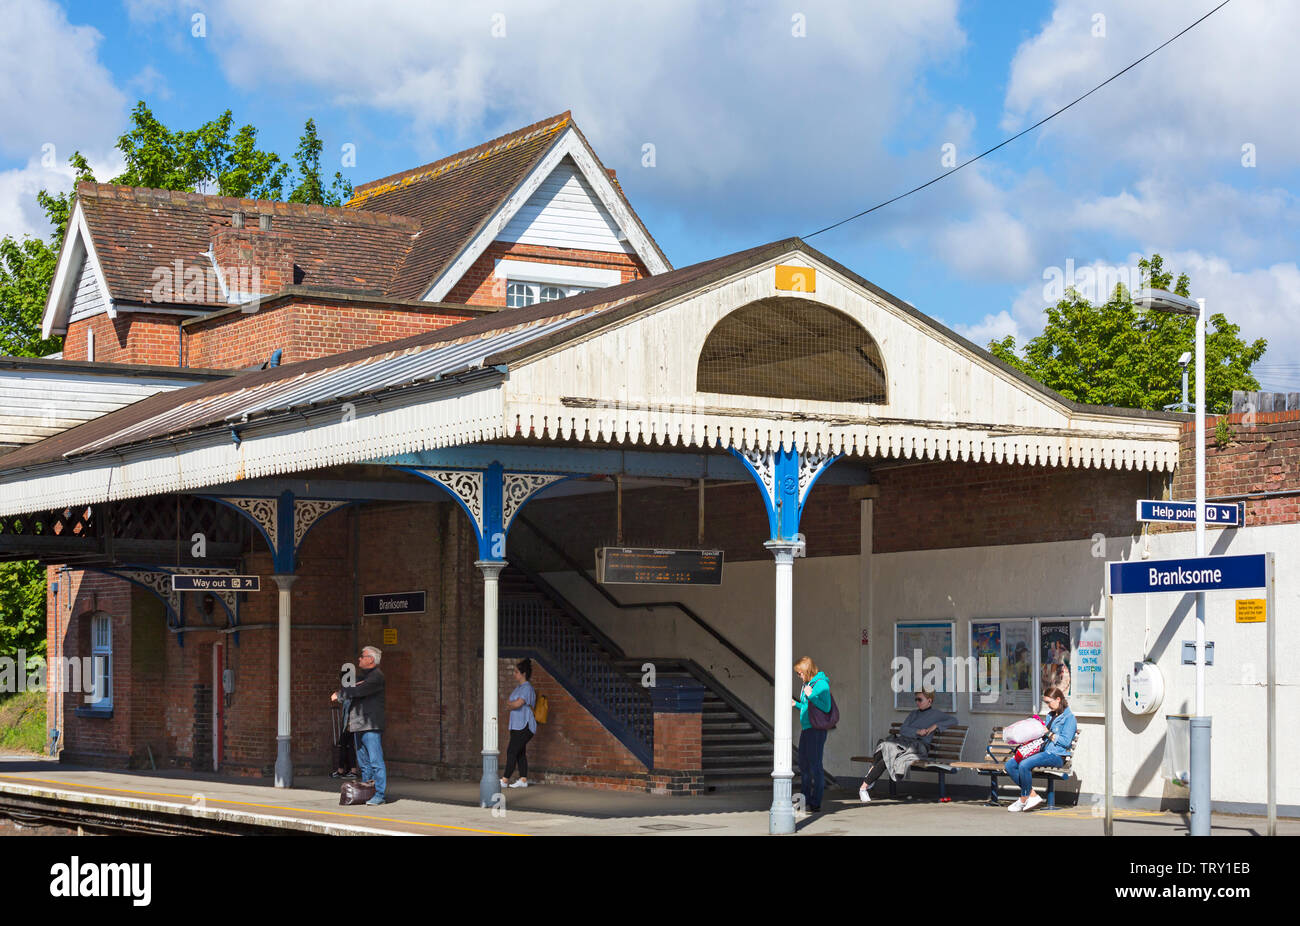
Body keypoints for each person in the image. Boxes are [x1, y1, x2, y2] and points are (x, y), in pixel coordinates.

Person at [858, 688, 956, 802]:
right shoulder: (913, 714)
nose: (917, 702)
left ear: (929, 700)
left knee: (887, 754)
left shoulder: (936, 714)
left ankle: (865, 785)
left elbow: (953, 720)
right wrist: (917, 731)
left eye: (920, 699)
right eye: (916, 699)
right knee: (885, 747)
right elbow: (903, 729)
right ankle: (868, 782)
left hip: (918, 748)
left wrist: (935, 726)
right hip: (903, 743)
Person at [330, 645, 386, 806]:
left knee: (376, 761)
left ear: (371, 659)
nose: (359, 659)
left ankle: (380, 794)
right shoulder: (365, 677)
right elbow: (355, 688)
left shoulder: (376, 677)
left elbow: (358, 691)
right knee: (364, 764)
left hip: (370, 726)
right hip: (359, 725)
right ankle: (368, 792)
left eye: (363, 656)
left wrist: (340, 695)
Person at [1005, 686, 1076, 812]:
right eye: (1046, 703)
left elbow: (1065, 742)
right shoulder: (1050, 715)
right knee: (1010, 765)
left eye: (1049, 702)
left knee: (1024, 765)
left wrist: (1048, 733)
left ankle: (1023, 798)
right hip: (1043, 751)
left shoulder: (1069, 718)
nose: (1048, 705)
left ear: (1058, 699)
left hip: (1057, 755)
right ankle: (1032, 795)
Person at [791, 656, 832, 813]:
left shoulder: (821, 684)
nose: (799, 676)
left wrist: (812, 695)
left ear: (807, 671)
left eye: (800, 673)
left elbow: (826, 707)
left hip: (817, 730)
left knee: (815, 766)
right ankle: (804, 798)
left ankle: (815, 802)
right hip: (807, 729)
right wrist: (797, 704)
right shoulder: (807, 684)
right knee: (804, 764)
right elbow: (808, 707)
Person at [501, 658, 537, 789]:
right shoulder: (518, 688)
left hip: (525, 725)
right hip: (516, 725)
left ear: (524, 674)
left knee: (512, 751)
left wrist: (512, 704)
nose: (514, 674)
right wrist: (512, 704)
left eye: (516, 672)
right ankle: (523, 779)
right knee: (520, 752)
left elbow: (516, 704)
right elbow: (510, 704)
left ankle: (504, 780)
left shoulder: (527, 688)